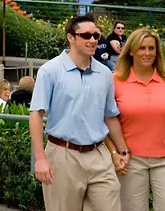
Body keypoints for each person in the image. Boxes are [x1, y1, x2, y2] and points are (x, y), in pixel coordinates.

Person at [30, 13, 128, 211]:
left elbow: (109, 115)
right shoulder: (50, 70)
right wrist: (40, 159)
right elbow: (36, 114)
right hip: (63, 154)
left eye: (96, 35)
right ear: (71, 38)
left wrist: (123, 151)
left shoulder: (105, 74)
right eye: (86, 35)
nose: (93, 40)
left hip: (99, 154)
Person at [105, 28, 165, 210]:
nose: (147, 53)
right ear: (131, 50)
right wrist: (114, 152)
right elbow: (103, 119)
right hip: (130, 160)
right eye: (142, 48)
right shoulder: (114, 81)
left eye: (151, 48)